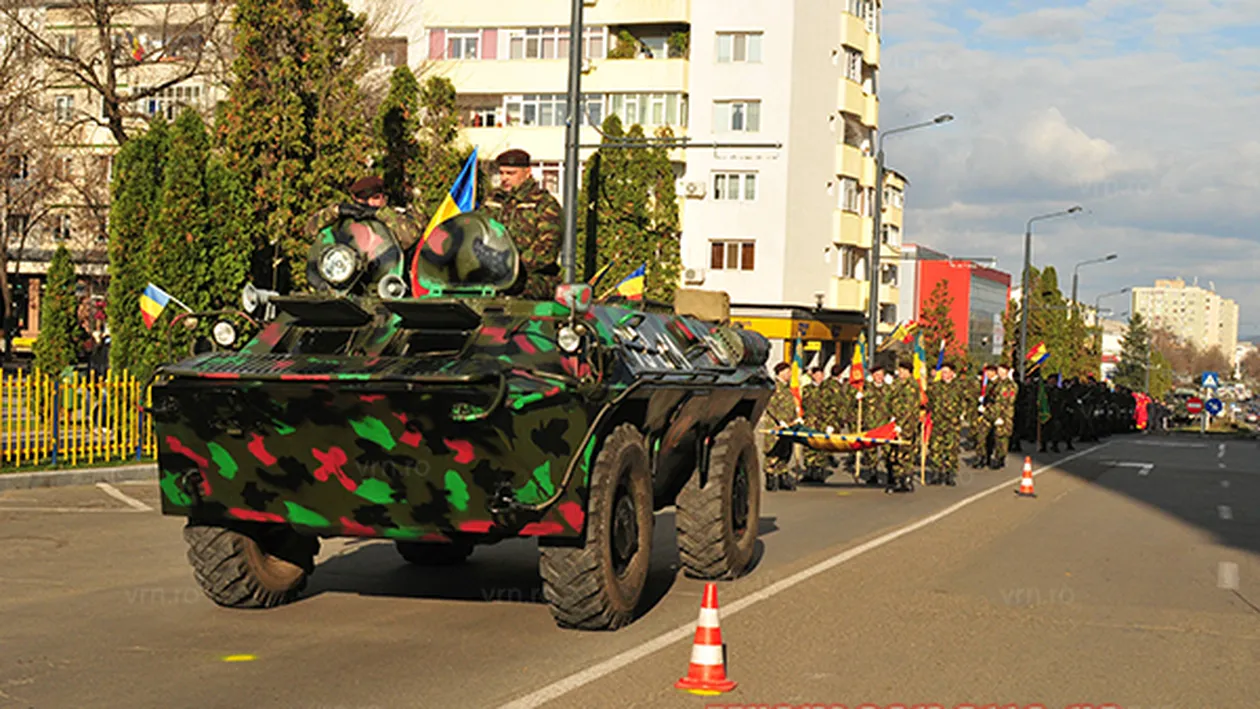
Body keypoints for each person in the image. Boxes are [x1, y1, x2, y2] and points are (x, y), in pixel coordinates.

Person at [481, 149, 563, 299]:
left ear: (527, 172)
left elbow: (548, 248)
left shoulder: (543, 204)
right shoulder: (493, 201)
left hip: (533, 277)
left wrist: (512, 265)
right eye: (502, 173)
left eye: (511, 173)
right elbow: (478, 233)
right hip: (492, 274)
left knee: (512, 295)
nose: (504, 178)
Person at [304, 175, 424, 252]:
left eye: (375, 198)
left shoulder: (398, 215)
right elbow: (309, 232)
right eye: (364, 202)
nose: (370, 205)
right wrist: (335, 211)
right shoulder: (348, 216)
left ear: (383, 197)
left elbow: (410, 238)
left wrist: (381, 214)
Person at [761, 362, 801, 492]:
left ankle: (782, 476)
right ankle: (771, 478)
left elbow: (789, 405)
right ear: (781, 372)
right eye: (788, 372)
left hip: (788, 425)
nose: (790, 375)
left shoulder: (786, 387)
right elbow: (770, 405)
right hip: (776, 425)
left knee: (785, 450)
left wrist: (795, 418)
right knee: (773, 451)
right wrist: (780, 420)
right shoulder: (774, 386)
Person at [927, 362, 964, 485]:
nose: (944, 374)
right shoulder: (935, 387)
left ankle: (949, 474)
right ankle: (936, 473)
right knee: (935, 448)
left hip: (952, 424)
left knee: (951, 449)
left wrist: (961, 414)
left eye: (946, 372)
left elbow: (964, 402)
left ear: (952, 373)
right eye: (942, 372)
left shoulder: (959, 387)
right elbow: (929, 403)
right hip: (938, 423)